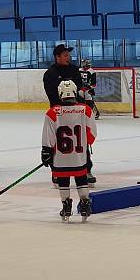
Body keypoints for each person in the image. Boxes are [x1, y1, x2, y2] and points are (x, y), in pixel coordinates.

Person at [41, 79, 96, 223]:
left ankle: (66, 206)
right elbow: (92, 135)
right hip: (79, 157)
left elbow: (48, 137)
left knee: (63, 180)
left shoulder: (52, 112)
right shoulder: (86, 110)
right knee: (81, 178)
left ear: (60, 94)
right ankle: (84, 204)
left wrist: (46, 151)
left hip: (60, 158)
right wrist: (85, 143)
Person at [43, 45, 93, 183]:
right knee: (57, 143)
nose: (68, 57)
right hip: (59, 115)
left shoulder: (73, 69)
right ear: (57, 57)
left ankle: (86, 169)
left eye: (68, 55)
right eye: (65, 55)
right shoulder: (50, 74)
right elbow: (51, 95)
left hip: (75, 112)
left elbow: (79, 90)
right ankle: (56, 171)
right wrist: (63, 108)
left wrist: (79, 106)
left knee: (80, 140)